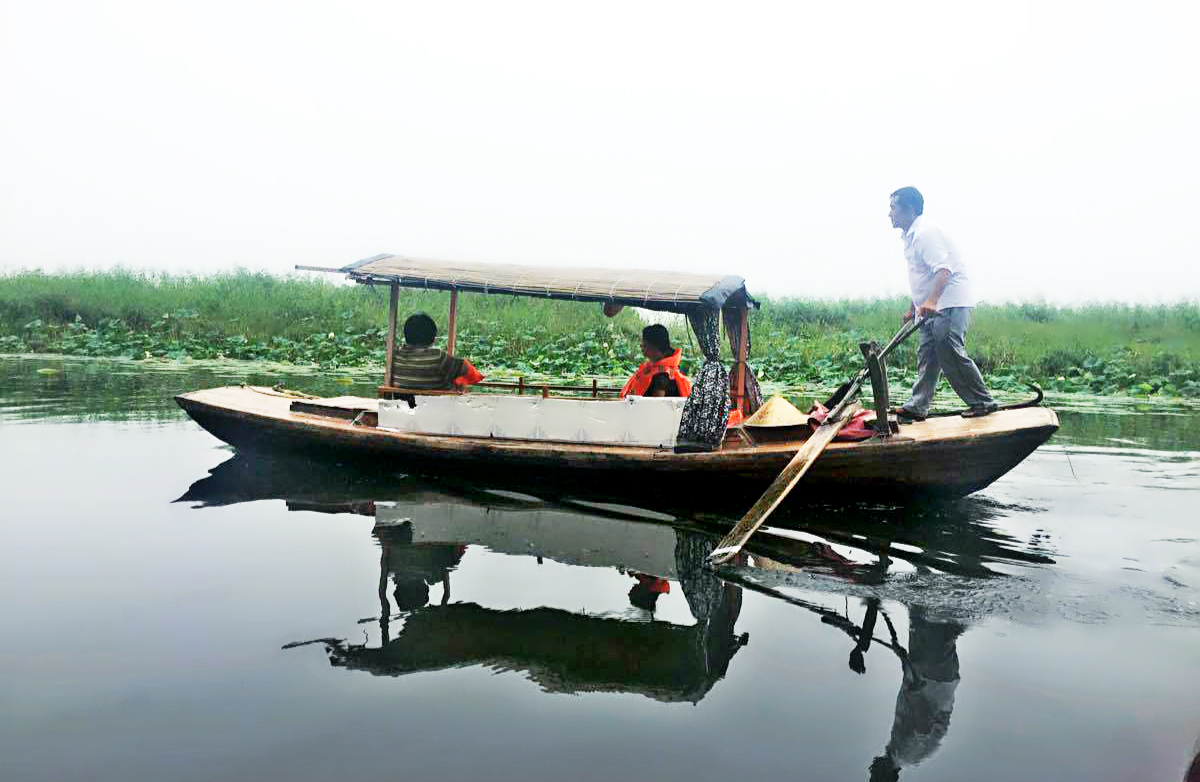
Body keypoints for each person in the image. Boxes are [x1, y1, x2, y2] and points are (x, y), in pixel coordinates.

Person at [888, 187, 997, 420]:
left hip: (949, 302)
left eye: (893, 208)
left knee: (948, 349)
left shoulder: (925, 233)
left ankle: (982, 402)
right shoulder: (910, 237)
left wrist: (932, 301)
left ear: (909, 209)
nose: (890, 214)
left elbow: (944, 270)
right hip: (931, 306)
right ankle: (918, 406)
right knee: (927, 353)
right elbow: (921, 275)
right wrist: (913, 306)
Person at [389, 312, 484, 390]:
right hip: (436, 409)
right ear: (433, 338)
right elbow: (472, 374)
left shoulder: (395, 356)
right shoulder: (438, 357)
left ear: (406, 335)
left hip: (402, 410)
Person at [619, 324, 693, 398]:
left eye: (645, 343)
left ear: (655, 345)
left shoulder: (662, 376)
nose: (641, 346)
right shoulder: (665, 369)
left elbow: (657, 405)